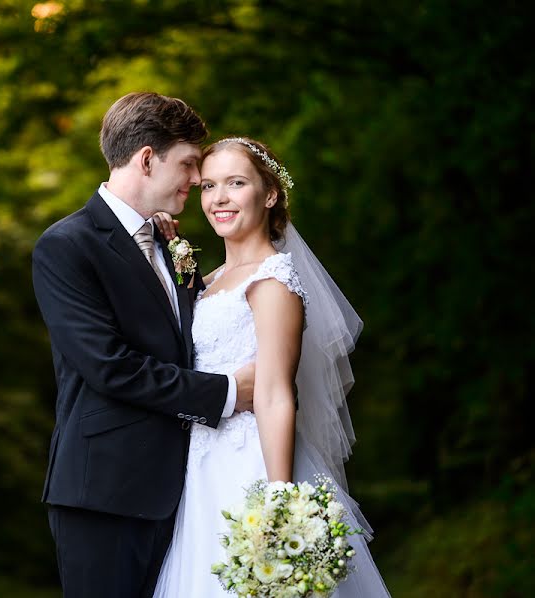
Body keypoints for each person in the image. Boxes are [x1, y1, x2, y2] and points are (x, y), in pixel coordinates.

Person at [31, 93, 257, 598]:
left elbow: (195, 339)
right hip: (105, 495)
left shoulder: (169, 245)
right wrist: (225, 393)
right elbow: (111, 367)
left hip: (185, 491)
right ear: (148, 159)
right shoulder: (66, 246)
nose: (197, 179)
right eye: (189, 163)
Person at [151, 137, 391, 597]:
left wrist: (279, 497)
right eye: (208, 186)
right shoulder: (210, 281)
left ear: (270, 193)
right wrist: (170, 245)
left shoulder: (273, 279)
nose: (218, 198)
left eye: (236, 183)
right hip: (198, 470)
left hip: (249, 467)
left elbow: (278, 391)